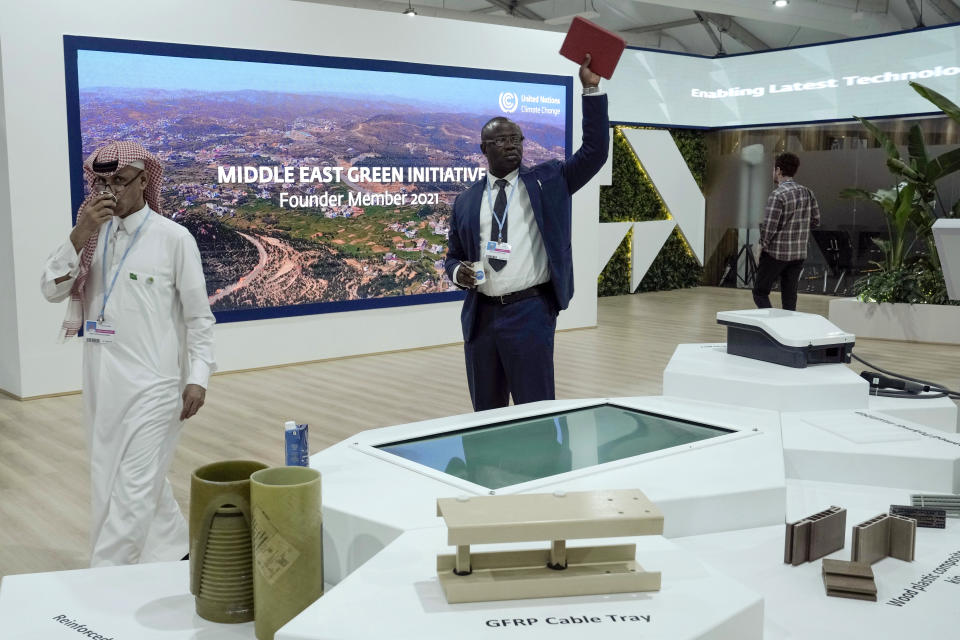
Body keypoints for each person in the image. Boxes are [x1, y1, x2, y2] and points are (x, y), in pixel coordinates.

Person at [41, 141, 216, 567]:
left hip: (157, 384)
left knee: (134, 483)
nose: (110, 191)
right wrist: (80, 233)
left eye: (119, 181)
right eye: (102, 182)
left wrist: (198, 376)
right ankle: (175, 550)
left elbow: (199, 318)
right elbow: (51, 290)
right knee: (114, 475)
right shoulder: (90, 238)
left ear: (143, 182)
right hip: (102, 380)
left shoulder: (174, 239)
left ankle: (104, 576)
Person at [444, 55, 609, 411]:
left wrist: (591, 89)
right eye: (501, 140)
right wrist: (459, 272)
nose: (511, 145)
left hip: (530, 312)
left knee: (536, 411)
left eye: (516, 138)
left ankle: (542, 466)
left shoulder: (549, 181)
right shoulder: (467, 201)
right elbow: (453, 256)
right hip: (481, 318)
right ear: (483, 149)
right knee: (485, 414)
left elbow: (595, 152)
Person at [753, 152, 821, 311]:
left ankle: (772, 326)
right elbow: (816, 221)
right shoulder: (808, 192)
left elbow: (769, 228)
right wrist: (798, 229)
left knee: (760, 292)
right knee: (789, 297)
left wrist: (760, 246)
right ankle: (788, 331)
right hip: (798, 254)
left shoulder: (777, 195)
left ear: (778, 170)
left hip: (776, 253)